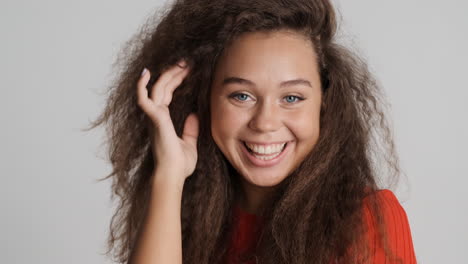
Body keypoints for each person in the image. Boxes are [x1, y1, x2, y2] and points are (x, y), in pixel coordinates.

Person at [89, 0, 417, 263]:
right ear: (203, 101)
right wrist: (169, 176)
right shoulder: (189, 220)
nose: (265, 122)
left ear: (325, 104)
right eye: (241, 96)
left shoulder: (367, 220)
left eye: (292, 98)